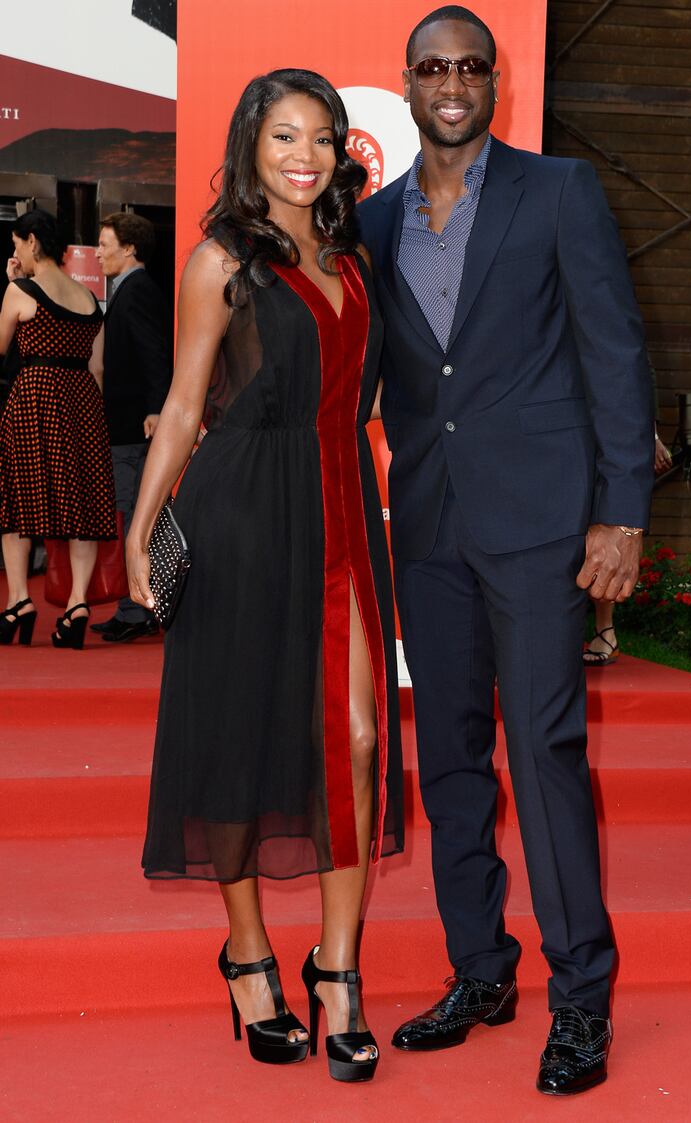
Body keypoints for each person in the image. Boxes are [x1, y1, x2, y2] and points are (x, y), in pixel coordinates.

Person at [358, 6, 653, 1096]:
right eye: (431, 67)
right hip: (428, 525)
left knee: (541, 754)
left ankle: (580, 997)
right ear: (406, 83)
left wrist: (619, 513)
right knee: (448, 763)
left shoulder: (558, 193)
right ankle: (479, 970)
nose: (450, 83)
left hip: (538, 528)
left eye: (468, 67)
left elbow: (614, 352)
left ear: (496, 82)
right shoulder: (376, 219)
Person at [126, 70, 403, 1083]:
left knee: (360, 736)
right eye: (284, 135)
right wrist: (139, 530)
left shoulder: (353, 255)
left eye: (322, 137)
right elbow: (186, 401)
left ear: (340, 151)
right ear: (250, 144)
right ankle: (247, 953)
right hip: (241, 511)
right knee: (236, 733)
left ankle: (338, 968)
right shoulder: (218, 261)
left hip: (336, 507)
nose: (305, 153)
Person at [0, 208, 115, 649]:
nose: (16, 255)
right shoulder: (89, 299)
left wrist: (8, 284)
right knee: (80, 508)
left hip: (34, 398)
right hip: (83, 403)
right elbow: (98, 368)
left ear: (31, 242)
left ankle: (17, 601)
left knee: (15, 504)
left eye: (15, 246)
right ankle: (78, 603)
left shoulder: (21, 290)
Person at [92, 212, 171, 643]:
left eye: (105, 243)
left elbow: (153, 351)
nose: (98, 252)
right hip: (127, 424)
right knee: (135, 514)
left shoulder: (137, 290)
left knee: (135, 516)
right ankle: (137, 606)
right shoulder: (127, 289)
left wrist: (157, 408)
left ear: (129, 248)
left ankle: (137, 609)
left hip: (134, 427)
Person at [584, 424, 672, 666]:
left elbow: (628, 391)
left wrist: (650, 436)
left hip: (603, 442)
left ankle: (605, 631)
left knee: (602, 533)